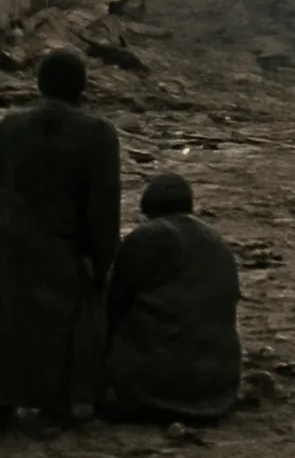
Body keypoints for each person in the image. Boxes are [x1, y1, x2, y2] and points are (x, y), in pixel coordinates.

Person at [0, 50, 121, 433]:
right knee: (58, 330)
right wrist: (100, 261)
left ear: (39, 84)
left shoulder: (8, 128)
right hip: (59, 248)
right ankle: (54, 405)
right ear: (82, 87)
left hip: (3, 242)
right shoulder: (98, 134)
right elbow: (103, 209)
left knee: (1, 325)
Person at [101, 172, 242, 424]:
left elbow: (115, 303)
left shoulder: (149, 237)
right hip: (218, 384)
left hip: (159, 385)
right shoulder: (215, 239)